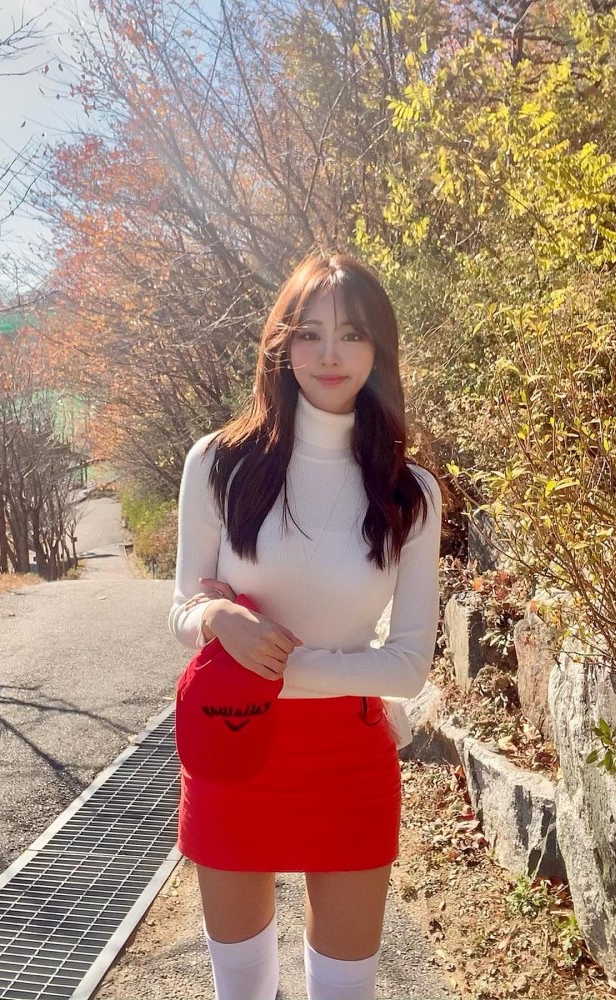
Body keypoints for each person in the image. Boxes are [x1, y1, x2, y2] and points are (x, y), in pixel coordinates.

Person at [168, 251, 444, 1000]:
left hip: (349, 757)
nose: (330, 354)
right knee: (242, 989)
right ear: (281, 345)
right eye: (310, 333)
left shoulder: (410, 491)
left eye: (352, 335)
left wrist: (267, 659)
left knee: (346, 989)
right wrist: (218, 616)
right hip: (232, 745)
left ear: (379, 350)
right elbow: (184, 608)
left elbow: (408, 666)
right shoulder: (219, 463)